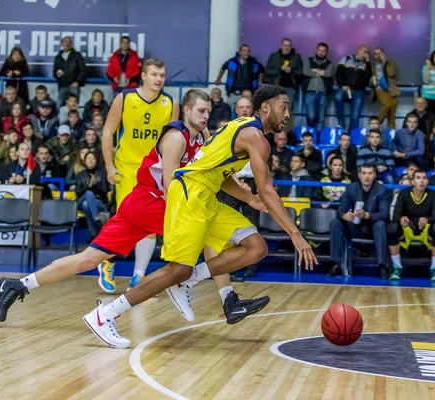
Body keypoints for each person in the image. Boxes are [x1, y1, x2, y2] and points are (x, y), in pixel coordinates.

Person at [0, 90, 266, 331]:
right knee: (205, 229)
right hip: (152, 201)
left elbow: (214, 176)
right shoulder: (176, 137)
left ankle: (19, 285)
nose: (206, 116)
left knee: (87, 259)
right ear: (186, 110)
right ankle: (210, 292)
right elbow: (172, 185)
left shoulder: (204, 136)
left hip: (141, 204)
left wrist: (246, 196)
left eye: (208, 111)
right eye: (201, 111)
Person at [78, 85, 318, 348]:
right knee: (177, 269)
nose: (288, 114)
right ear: (266, 107)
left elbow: (217, 173)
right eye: (283, 106)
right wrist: (295, 234)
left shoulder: (240, 126)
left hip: (205, 196)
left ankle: (188, 281)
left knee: (255, 246)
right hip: (189, 194)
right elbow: (267, 189)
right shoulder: (255, 136)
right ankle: (105, 315)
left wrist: (248, 199)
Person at [100, 58, 179, 293]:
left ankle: (138, 276)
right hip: (126, 169)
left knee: (151, 224)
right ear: (143, 76)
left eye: (162, 75)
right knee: (127, 223)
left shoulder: (170, 103)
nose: (159, 79)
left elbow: (173, 140)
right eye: (154, 74)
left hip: (153, 172)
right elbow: (107, 133)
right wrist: (109, 167)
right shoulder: (125, 98)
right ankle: (107, 261)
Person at [328, 164, 389, 278]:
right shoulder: (351, 188)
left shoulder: (381, 190)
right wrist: (345, 215)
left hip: (372, 229)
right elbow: (341, 209)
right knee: (336, 223)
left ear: (375, 175)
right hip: (355, 227)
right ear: (359, 175)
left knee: (380, 224)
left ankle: (383, 266)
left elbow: (385, 214)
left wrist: (367, 215)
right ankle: (335, 264)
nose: (367, 177)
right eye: (364, 173)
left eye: (370, 173)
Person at [388, 169, 435, 281]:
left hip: (426, 227)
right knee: (392, 228)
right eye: (418, 178)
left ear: (427, 181)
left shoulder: (433, 195)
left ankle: (434, 269)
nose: (422, 181)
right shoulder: (403, 194)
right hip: (407, 226)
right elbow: (395, 216)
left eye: (424, 178)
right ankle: (396, 267)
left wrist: (427, 219)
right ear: (412, 181)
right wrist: (401, 219)